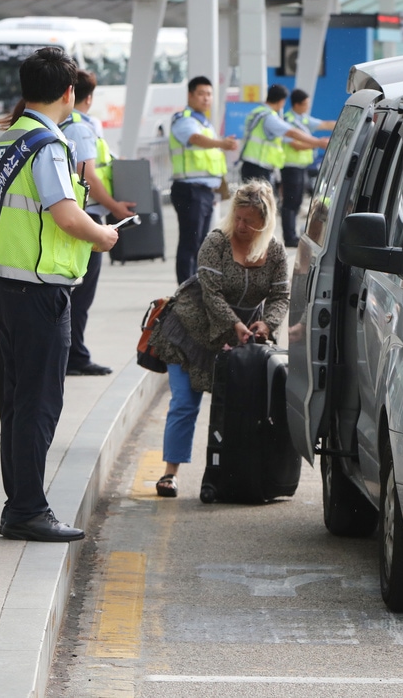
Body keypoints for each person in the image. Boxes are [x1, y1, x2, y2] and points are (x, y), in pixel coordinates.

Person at [0, 47, 120, 542]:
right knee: (38, 405)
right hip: (40, 290)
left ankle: (18, 505)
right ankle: (27, 509)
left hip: (9, 284)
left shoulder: (11, 137)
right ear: (70, 93)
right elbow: (66, 215)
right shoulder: (48, 144)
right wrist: (104, 236)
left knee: (17, 402)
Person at [154, 181, 290, 498]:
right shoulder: (216, 241)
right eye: (238, 218)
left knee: (235, 409)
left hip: (240, 338)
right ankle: (169, 474)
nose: (241, 225)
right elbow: (211, 294)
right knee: (185, 404)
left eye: (249, 221)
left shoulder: (276, 251)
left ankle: (223, 474)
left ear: (265, 221)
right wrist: (234, 324)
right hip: (191, 328)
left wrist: (266, 325)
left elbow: (281, 296)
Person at [59, 69, 137, 377]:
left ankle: (69, 352)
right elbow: (88, 175)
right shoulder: (80, 127)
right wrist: (115, 207)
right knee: (81, 292)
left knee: (74, 291)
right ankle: (74, 355)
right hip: (86, 214)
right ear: (87, 97)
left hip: (76, 212)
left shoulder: (62, 123)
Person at [169, 76, 238, 284]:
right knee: (190, 243)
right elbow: (194, 139)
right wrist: (221, 143)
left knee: (199, 243)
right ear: (190, 95)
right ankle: (186, 289)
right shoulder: (184, 119)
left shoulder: (204, 122)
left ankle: (195, 285)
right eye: (201, 94)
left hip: (204, 191)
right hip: (190, 189)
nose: (206, 98)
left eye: (209, 94)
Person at [237, 84, 327, 185]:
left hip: (252, 165)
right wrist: (318, 142)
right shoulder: (268, 117)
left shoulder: (257, 112)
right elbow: (292, 132)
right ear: (281, 101)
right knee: (259, 200)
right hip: (258, 167)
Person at [279, 88, 335, 246]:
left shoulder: (303, 119)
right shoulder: (288, 120)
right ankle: (289, 237)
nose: (307, 107)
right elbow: (295, 145)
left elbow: (323, 124)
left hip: (301, 167)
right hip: (290, 167)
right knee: (290, 203)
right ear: (296, 105)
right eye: (305, 104)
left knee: (297, 202)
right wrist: (316, 143)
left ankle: (293, 234)